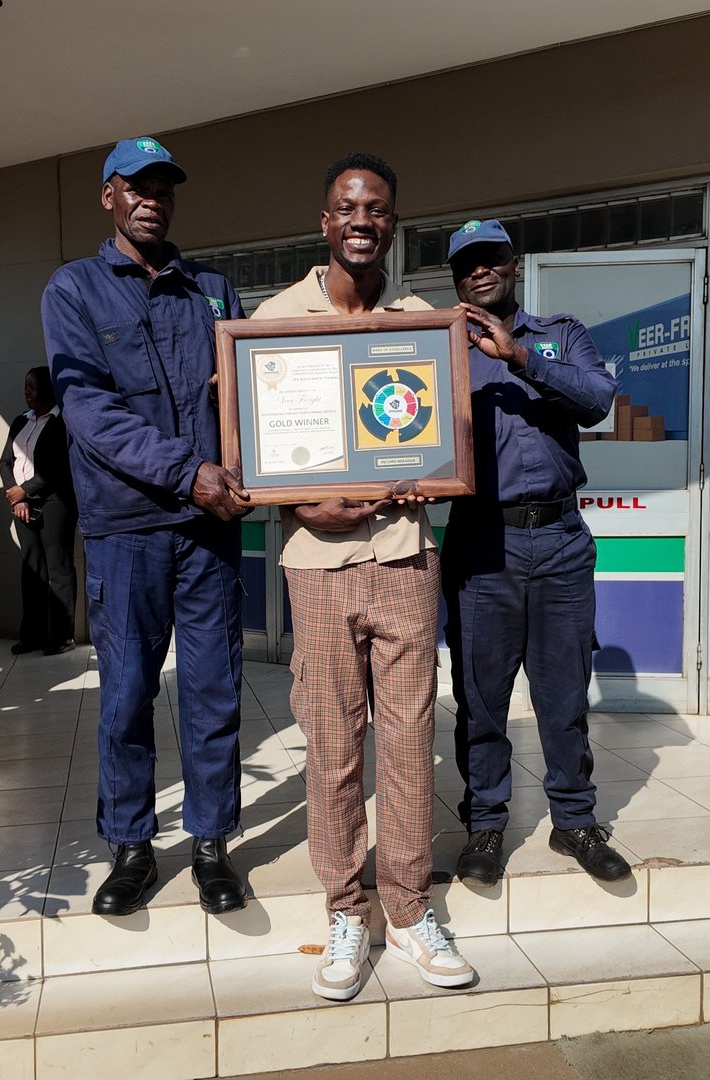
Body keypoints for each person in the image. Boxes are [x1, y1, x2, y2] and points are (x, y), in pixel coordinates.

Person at [252, 153, 474, 1000]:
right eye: (347, 206)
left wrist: (431, 464)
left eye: (376, 208)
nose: (360, 220)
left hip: (406, 558)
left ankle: (411, 910)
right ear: (325, 221)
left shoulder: (424, 323)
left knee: (410, 745)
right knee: (334, 748)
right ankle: (348, 912)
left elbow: (440, 439)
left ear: (392, 222)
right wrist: (302, 507)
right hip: (317, 568)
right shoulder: (276, 320)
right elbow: (261, 461)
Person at [42, 136, 251, 918]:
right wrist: (189, 472)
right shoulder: (74, 291)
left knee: (213, 691)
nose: (152, 199)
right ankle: (130, 846)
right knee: (127, 695)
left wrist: (254, 459)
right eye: (137, 186)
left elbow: (252, 394)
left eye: (164, 187)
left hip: (207, 532)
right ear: (109, 195)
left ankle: (209, 844)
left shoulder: (213, 290)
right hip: (128, 530)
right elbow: (89, 412)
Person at [442, 219, 629, 886]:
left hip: (558, 540)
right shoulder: (442, 350)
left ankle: (574, 821)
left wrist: (521, 359)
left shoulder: (561, 335)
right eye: (467, 265)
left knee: (562, 695)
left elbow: (599, 399)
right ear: (458, 277)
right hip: (480, 539)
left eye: (491, 258)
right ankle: (486, 825)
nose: (480, 271)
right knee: (482, 699)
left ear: (514, 265)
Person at [0, 366, 77, 656]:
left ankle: (61, 636)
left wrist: (26, 490)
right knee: (32, 569)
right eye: (25, 387)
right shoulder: (21, 421)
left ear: (46, 389)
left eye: (32, 387)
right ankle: (31, 635)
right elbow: (5, 462)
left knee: (58, 569)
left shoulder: (61, 423)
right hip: (22, 505)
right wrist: (16, 497)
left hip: (56, 503)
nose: (26, 393)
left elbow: (59, 470)